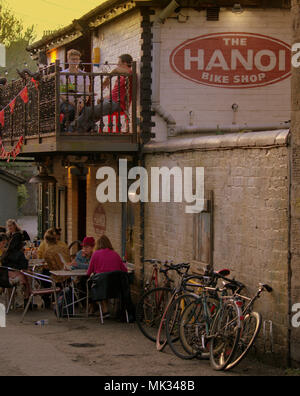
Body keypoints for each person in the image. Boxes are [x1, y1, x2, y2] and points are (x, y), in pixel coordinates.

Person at [76, 54, 133, 132]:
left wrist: (108, 77)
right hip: (112, 101)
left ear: (125, 63)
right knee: (88, 112)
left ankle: (73, 128)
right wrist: (104, 98)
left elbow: (116, 70)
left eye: (119, 62)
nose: (117, 64)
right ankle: (88, 128)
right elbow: (114, 93)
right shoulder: (121, 76)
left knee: (88, 111)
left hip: (118, 104)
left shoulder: (129, 73)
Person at [87, 235, 127, 317]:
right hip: (116, 288)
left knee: (93, 284)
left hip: (101, 287)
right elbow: (125, 270)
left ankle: (100, 309)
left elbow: (88, 272)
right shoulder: (116, 254)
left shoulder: (95, 254)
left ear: (97, 245)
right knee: (103, 284)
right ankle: (102, 309)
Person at [60, 49, 90, 131]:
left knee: (88, 111)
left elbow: (87, 93)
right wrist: (73, 103)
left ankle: (79, 130)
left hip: (80, 102)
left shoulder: (84, 75)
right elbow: (61, 94)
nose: (75, 61)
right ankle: (64, 129)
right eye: (73, 59)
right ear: (68, 60)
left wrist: (82, 103)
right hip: (66, 102)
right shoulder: (62, 75)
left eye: (77, 59)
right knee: (71, 110)